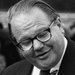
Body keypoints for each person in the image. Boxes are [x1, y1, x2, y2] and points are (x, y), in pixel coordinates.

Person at [1, 0, 75, 75]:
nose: (37, 46)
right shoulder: (9, 73)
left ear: (59, 25)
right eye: (26, 42)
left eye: (42, 34)